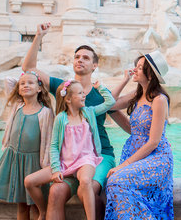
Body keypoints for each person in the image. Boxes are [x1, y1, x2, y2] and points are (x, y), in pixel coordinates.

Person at [22, 23, 130, 220]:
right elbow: (29, 68)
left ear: (94, 66)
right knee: (55, 192)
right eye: (77, 57)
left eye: (86, 58)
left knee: (85, 190)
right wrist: (39, 36)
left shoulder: (100, 95)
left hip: (98, 156)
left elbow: (126, 125)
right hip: (68, 159)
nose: (80, 60)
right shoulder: (62, 88)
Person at [24, 80, 115, 220]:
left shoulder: (88, 113)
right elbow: (54, 146)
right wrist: (56, 169)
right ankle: (42, 211)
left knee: (85, 181)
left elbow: (110, 102)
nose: (84, 95)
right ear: (68, 99)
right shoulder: (60, 119)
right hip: (65, 163)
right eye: (80, 93)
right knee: (29, 181)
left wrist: (100, 87)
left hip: (86, 160)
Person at [104, 50, 174, 219]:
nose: (135, 70)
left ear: (151, 75)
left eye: (140, 68)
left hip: (156, 157)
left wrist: (123, 166)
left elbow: (153, 142)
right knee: (113, 183)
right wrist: (124, 80)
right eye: (136, 66)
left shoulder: (159, 99)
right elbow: (109, 104)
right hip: (134, 153)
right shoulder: (137, 95)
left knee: (116, 181)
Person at [0, 71, 54, 220]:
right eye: (22, 84)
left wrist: (46, 165)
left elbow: (48, 142)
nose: (25, 85)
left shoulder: (45, 113)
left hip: (33, 163)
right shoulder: (17, 105)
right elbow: (8, 80)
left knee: (35, 205)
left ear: (39, 88)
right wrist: (28, 77)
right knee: (21, 206)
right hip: (15, 160)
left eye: (30, 83)